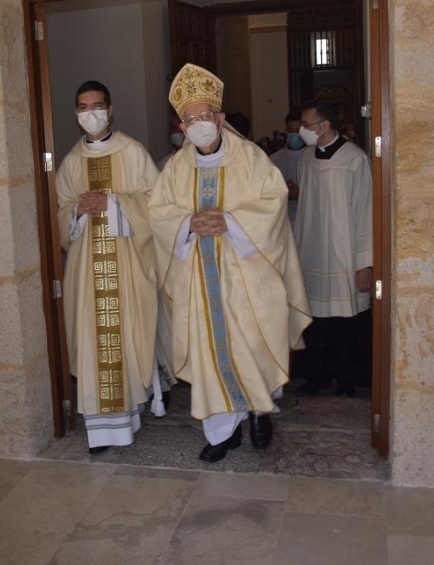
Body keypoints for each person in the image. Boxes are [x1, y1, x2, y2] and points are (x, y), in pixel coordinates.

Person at [149, 63, 312, 463]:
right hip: (199, 284)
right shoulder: (174, 168)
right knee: (210, 353)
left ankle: (259, 414)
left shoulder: (252, 158)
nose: (199, 124)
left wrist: (230, 221)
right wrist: (188, 222)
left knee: (251, 346)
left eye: (205, 116)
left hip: (248, 280)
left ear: (220, 118)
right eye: (190, 119)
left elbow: (273, 204)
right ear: (182, 127)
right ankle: (223, 432)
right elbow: (158, 212)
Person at [55, 80, 165, 454]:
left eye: (97, 106)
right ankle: (98, 429)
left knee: (125, 338)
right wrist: (77, 211)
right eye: (83, 107)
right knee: (91, 340)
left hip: (127, 267)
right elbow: (59, 213)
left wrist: (115, 203)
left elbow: (158, 204)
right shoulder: (70, 162)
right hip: (87, 273)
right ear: (75, 113)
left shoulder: (133, 153)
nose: (91, 113)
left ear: (111, 109)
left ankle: (127, 418)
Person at [294, 99, 373, 396]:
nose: (303, 130)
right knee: (315, 320)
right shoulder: (306, 158)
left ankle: (347, 380)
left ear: (325, 126)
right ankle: (316, 376)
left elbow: (366, 211)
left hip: (344, 252)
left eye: (307, 124)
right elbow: (304, 209)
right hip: (312, 250)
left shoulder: (354, 159)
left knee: (343, 321)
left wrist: (365, 262)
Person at [270, 110, 306, 229]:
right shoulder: (275, 158)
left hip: (306, 219)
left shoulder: (312, 156)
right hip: (282, 220)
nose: (294, 135)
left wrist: (300, 194)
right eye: (291, 131)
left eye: (298, 131)